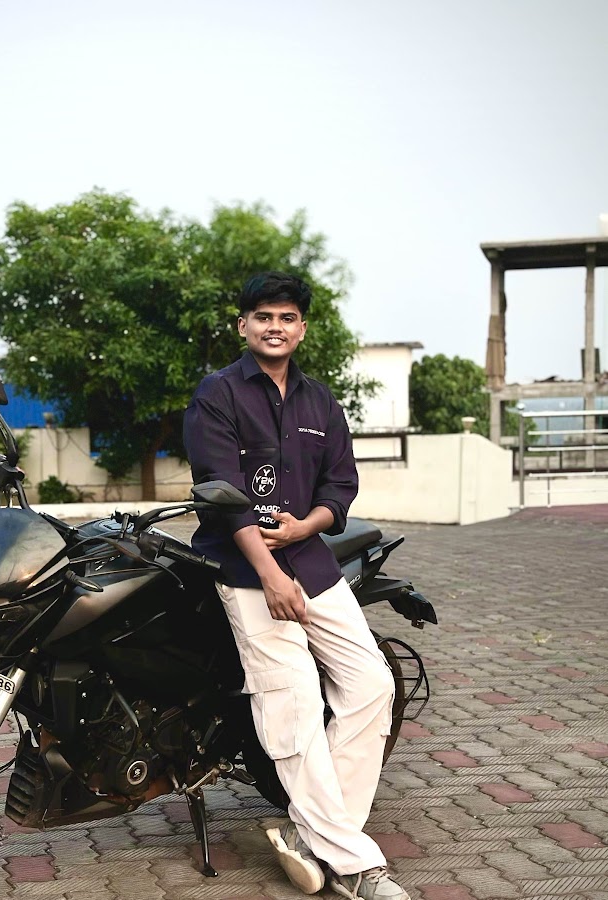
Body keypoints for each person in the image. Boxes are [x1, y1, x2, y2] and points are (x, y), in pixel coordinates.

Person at [183, 272, 407, 900]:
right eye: (263, 316)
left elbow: (340, 485)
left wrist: (305, 527)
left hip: (312, 561)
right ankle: (356, 868)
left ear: (302, 328)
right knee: (295, 701)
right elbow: (219, 493)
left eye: (286, 317)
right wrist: (270, 572)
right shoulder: (218, 394)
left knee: (372, 684)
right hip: (245, 568)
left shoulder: (320, 403)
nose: (274, 327)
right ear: (243, 326)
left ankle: (314, 834)